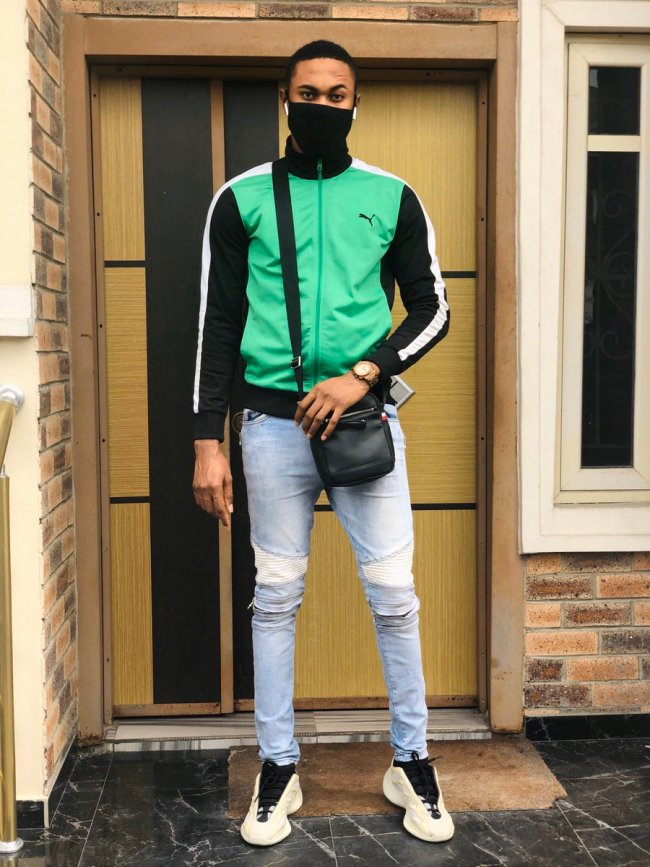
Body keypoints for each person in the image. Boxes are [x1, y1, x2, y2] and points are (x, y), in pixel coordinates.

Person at [192, 39, 453, 847]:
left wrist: (364, 374)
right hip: (270, 427)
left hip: (364, 422)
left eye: (337, 95)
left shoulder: (391, 196)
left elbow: (433, 309)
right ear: (286, 98)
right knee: (275, 596)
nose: (322, 105)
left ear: (355, 104)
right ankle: (279, 766)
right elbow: (216, 325)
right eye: (309, 92)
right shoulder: (241, 198)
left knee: (394, 594)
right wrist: (206, 441)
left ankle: (411, 760)